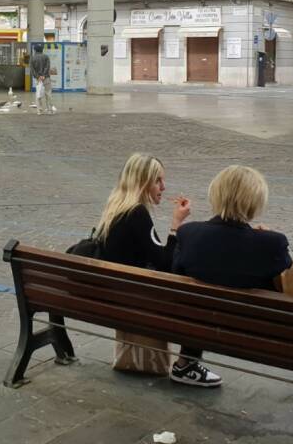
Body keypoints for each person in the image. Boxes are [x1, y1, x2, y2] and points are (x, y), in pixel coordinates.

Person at [172, 165, 293, 402]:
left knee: (200, 295)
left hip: (199, 322)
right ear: (255, 201)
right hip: (258, 334)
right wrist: (266, 238)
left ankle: (186, 361)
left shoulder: (189, 233)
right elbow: (290, 286)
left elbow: (176, 276)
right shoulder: (272, 244)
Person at [94, 154, 221, 387]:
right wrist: (176, 225)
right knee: (197, 296)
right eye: (158, 181)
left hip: (111, 297)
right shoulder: (136, 213)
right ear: (142, 182)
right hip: (136, 299)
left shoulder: (114, 208)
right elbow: (163, 263)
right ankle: (187, 365)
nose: (163, 187)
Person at [29, 44, 52, 115]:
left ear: (35, 50)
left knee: (38, 94)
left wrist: (38, 77)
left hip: (38, 79)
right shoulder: (46, 57)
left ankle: (39, 111)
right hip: (46, 78)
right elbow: (47, 67)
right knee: (48, 94)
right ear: (42, 50)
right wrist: (43, 75)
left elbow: (32, 70)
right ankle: (49, 110)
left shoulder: (32, 58)